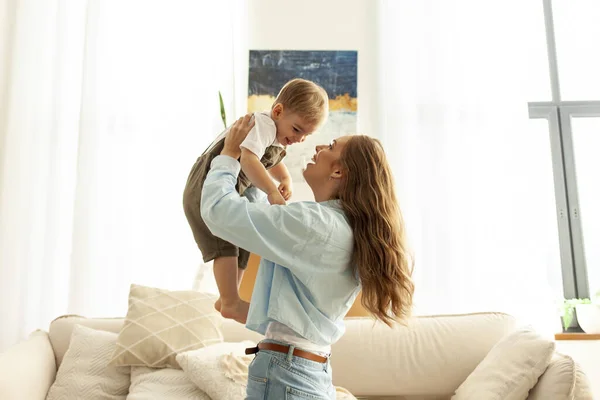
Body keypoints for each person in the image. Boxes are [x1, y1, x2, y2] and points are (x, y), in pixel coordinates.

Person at [201, 114, 415, 399]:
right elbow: (260, 224)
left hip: (286, 372)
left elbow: (218, 211)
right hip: (308, 370)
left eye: (329, 145)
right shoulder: (343, 229)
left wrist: (229, 155)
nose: (317, 149)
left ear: (338, 171)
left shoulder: (315, 225)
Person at [183, 79, 329, 324]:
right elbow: (250, 159)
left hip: (230, 186)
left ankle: (229, 296)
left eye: (306, 135)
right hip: (206, 186)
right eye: (297, 130)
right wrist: (272, 191)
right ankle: (230, 300)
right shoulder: (261, 124)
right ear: (278, 111)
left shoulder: (274, 132)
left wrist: (285, 178)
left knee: (241, 240)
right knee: (224, 242)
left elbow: (269, 159)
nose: (299, 139)